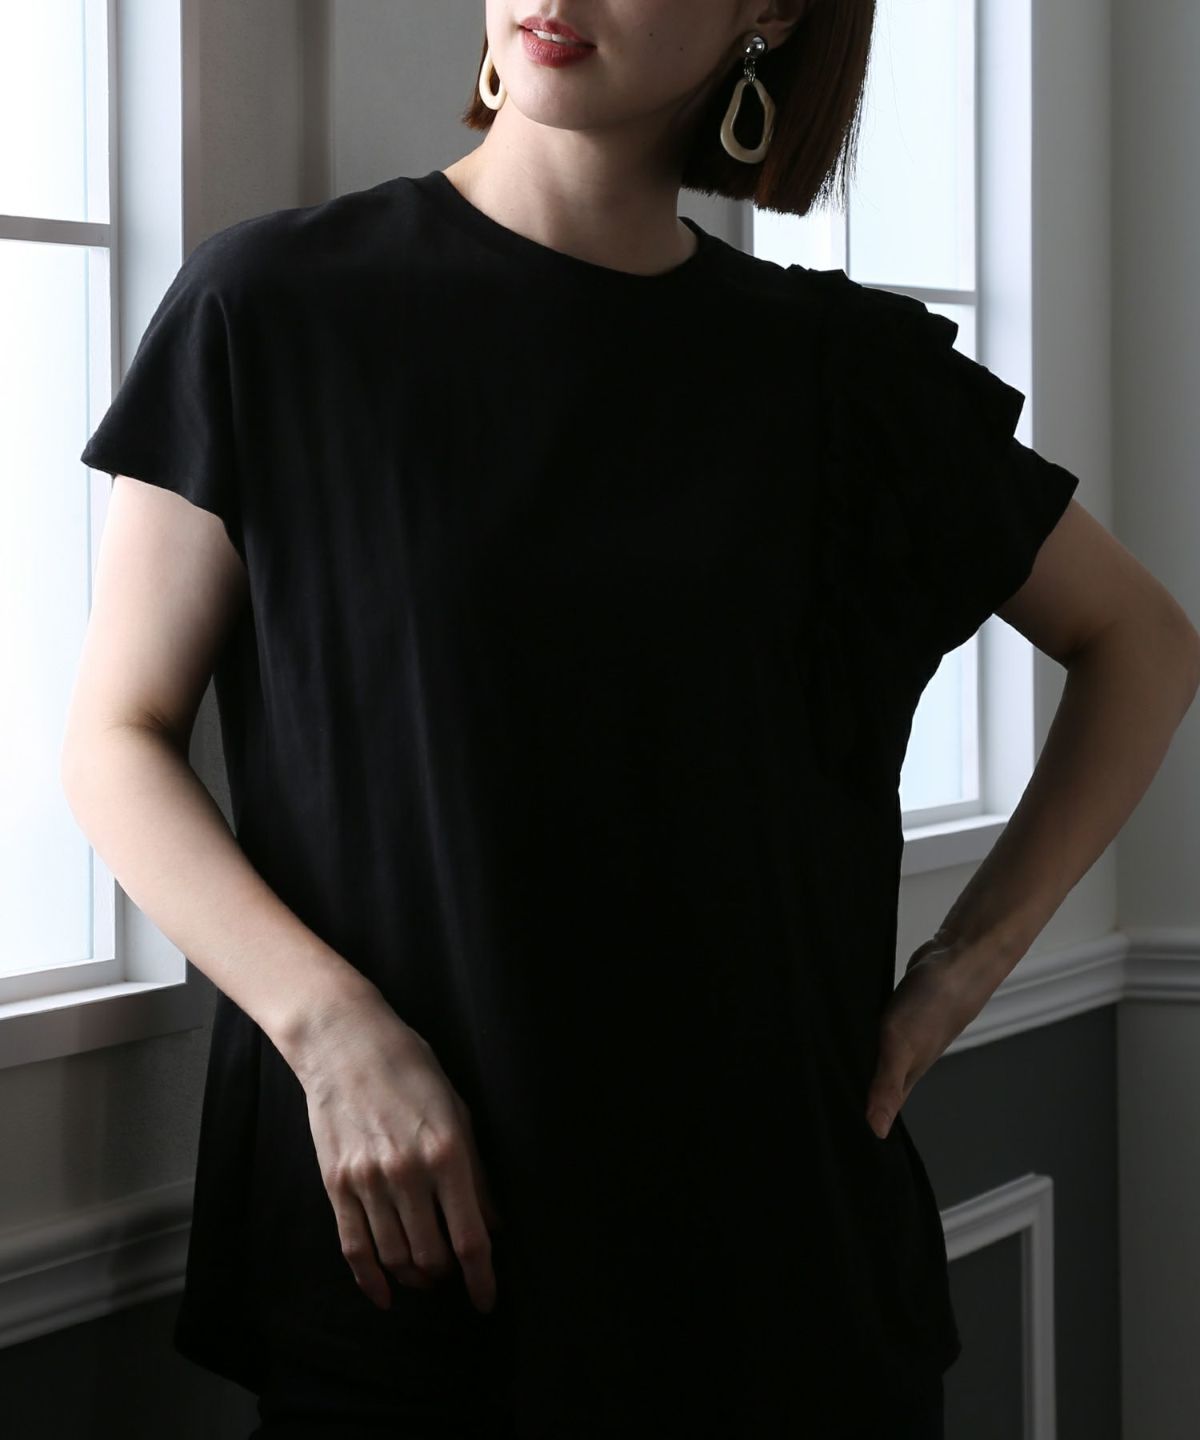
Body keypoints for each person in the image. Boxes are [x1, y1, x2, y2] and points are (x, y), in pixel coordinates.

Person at [62, 2, 1200, 1437]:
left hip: (784, 1279)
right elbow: (115, 736)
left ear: (768, 10)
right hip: (419, 1258)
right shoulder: (272, 306)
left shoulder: (850, 379)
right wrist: (332, 1028)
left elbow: (1144, 644)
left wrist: (958, 973)